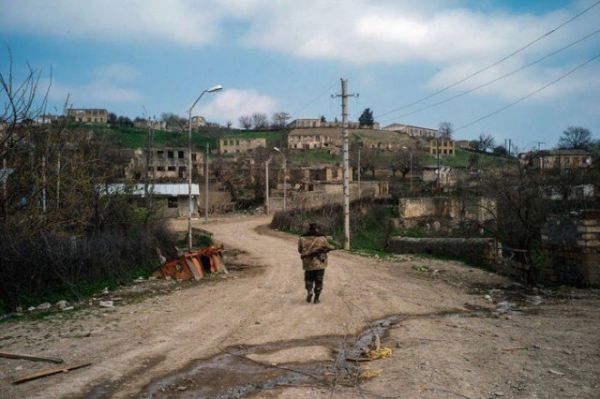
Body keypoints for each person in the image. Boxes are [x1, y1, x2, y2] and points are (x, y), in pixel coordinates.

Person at [298, 223, 335, 304]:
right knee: (319, 281)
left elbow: (300, 250)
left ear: (309, 228)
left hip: (308, 263)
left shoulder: (302, 238)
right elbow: (328, 247)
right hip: (320, 264)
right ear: (317, 229)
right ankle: (316, 299)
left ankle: (309, 291)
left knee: (308, 279)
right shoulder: (322, 238)